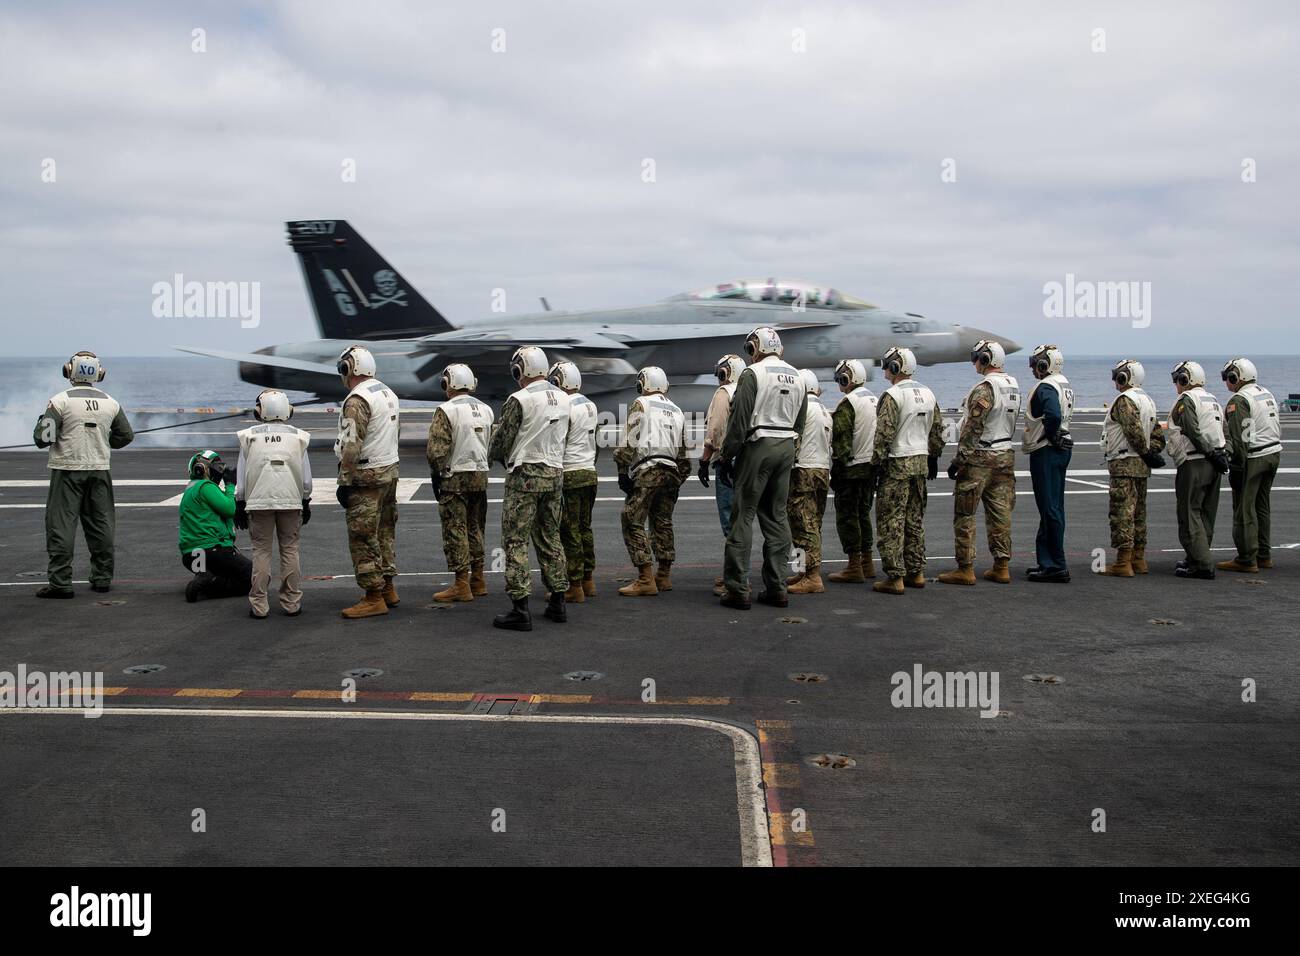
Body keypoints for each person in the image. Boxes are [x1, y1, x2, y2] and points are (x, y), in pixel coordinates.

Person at [717, 327, 807, 609]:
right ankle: (778, 587)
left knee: (742, 516)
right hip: (786, 447)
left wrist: (726, 456)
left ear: (755, 348)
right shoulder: (798, 376)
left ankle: (737, 588)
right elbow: (800, 422)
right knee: (777, 517)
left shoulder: (752, 374)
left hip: (758, 445)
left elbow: (739, 421)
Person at [32, 351, 134, 598]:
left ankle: (60, 583)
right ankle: (102, 578)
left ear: (69, 371)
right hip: (99, 470)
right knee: (101, 525)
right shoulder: (111, 402)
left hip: (67, 470)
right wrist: (103, 441)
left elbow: (43, 437)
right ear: (99, 373)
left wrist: (42, 422)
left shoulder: (60, 401)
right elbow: (126, 436)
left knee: (61, 526)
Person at [486, 346, 571, 630]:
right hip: (555, 473)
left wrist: (495, 457)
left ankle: (520, 607)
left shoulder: (518, 399)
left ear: (521, 370)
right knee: (550, 537)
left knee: (515, 541)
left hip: (525, 475)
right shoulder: (563, 397)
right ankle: (558, 600)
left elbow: (501, 440)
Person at [938, 340, 1020, 586]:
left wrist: (959, 459)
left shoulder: (985, 388)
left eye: (976, 357)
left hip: (980, 458)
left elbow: (972, 428)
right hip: (1005, 454)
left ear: (985, 360)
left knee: (965, 514)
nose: (974, 361)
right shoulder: (1013, 385)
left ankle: (965, 568)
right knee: (1001, 514)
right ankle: (1001, 565)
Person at [334, 345, 401, 619]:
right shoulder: (388, 392)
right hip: (389, 472)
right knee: (385, 533)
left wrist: (344, 480)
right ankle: (388, 588)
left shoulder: (357, 400)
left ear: (350, 368)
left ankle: (373, 596)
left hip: (366, 478)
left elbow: (351, 444)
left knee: (363, 536)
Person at [871, 347, 944, 595]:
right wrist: (934, 456)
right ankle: (917, 571)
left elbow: (884, 434)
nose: (884, 369)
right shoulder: (928, 393)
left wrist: (876, 464)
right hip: (921, 463)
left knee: (891, 522)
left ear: (895, 367)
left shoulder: (892, 395)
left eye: (886, 364)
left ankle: (895, 577)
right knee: (914, 520)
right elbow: (937, 430)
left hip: (897, 465)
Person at [234, 390, 312, 618]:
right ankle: (291, 603)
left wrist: (240, 503)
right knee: (290, 549)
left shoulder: (248, 437)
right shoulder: (299, 437)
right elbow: (306, 479)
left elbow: (242, 477)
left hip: (259, 501)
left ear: (261, 411)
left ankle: (259, 605)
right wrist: (305, 501)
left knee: (261, 551)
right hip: (291, 500)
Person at [614, 366, 689, 596]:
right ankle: (663, 576)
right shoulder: (677, 410)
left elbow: (630, 441)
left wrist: (621, 470)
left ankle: (645, 578)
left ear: (642, 385)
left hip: (648, 469)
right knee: (663, 522)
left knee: (632, 520)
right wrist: (677, 478)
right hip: (671, 472)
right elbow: (684, 454)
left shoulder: (641, 404)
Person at [426, 363, 494, 603]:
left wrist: (436, 474)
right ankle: (479, 579)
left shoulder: (446, 410)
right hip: (480, 476)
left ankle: (461, 584)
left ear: (448, 384)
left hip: (454, 477)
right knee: (476, 528)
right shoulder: (486, 409)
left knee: (456, 530)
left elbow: (437, 450)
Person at [1097, 360, 1166, 577]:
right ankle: (1139, 559)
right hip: (1141, 465)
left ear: (1126, 377)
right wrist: (1149, 454)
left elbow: (1133, 431)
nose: (1115, 380)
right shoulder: (1148, 400)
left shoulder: (1125, 400)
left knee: (1122, 513)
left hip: (1124, 464)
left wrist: (1144, 451)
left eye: (1118, 375)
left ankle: (1122, 562)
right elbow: (1157, 436)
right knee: (1139, 513)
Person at [1166, 360, 1229, 579]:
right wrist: (1221, 455)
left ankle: (1202, 564)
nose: (1176, 384)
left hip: (1194, 462)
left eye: (1178, 379)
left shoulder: (1187, 399)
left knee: (1189, 512)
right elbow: (1225, 431)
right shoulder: (1213, 400)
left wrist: (1210, 452)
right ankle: (1196, 555)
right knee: (1206, 513)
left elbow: (1191, 429)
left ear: (1185, 379)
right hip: (1214, 462)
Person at [1218, 358, 1282, 573]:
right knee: (1262, 507)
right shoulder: (1265, 392)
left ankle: (1246, 558)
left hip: (1255, 457)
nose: (1226, 381)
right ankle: (1263, 554)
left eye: (1228, 377)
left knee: (1244, 509)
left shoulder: (1240, 399)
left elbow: (1241, 438)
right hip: (1273, 453)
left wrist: (1237, 467)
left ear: (1237, 377)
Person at [1022, 344, 1075, 583]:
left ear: (1045, 365)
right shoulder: (1064, 384)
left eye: (1036, 363)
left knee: (1050, 508)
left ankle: (1055, 565)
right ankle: (1047, 561)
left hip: (1047, 450)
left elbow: (1052, 415)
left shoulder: (1046, 387)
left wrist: (1051, 435)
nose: (1033, 367)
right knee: (1053, 507)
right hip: (1059, 449)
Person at [550, 360, 599, 602]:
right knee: (585, 528)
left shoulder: (563, 405)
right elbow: (596, 443)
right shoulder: (590, 404)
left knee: (568, 531)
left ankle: (575, 586)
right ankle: (589, 581)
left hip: (569, 473)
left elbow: (556, 440)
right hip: (589, 472)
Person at [828, 359, 878, 583]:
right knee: (864, 514)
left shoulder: (848, 403)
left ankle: (854, 566)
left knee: (848, 516)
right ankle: (867, 563)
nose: (839, 381)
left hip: (852, 468)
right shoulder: (874, 399)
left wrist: (836, 472)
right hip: (871, 467)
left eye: (841, 377)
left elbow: (841, 443)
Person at [178, 450, 251, 602]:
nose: (219, 472)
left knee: (228, 573)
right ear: (201, 468)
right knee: (253, 577)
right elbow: (229, 509)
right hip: (212, 550)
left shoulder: (192, 488)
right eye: (216, 467)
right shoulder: (205, 486)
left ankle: (206, 576)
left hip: (191, 555)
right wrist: (230, 486)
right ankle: (207, 585)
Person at [699, 354, 744, 594]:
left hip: (728, 462)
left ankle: (735, 580)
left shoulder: (723, 393)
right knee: (744, 520)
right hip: (750, 462)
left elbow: (715, 429)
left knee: (730, 521)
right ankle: (737, 573)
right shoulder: (750, 392)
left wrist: (705, 461)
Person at [787, 369, 834, 594]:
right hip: (822, 470)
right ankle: (803, 571)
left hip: (803, 469)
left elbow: (794, 439)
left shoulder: (802, 407)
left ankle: (812, 576)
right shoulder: (825, 410)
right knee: (814, 523)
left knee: (802, 524)